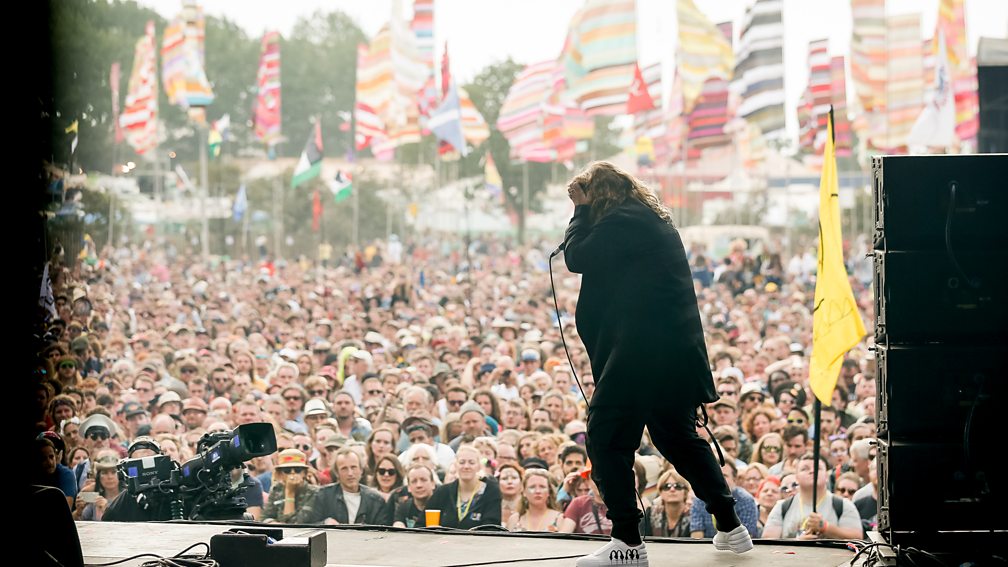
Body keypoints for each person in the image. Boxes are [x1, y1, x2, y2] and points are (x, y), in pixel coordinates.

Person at [561, 161, 752, 565]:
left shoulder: (622, 221)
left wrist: (579, 210)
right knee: (677, 438)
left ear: (599, 195)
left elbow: (577, 256)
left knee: (606, 437)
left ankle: (628, 541)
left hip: (639, 357)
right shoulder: (646, 219)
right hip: (669, 357)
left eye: (587, 196)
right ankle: (731, 526)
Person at [761, 453, 863, 540]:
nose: (812, 471)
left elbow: (857, 538)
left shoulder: (843, 506)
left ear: (826, 476)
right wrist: (797, 542)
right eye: (805, 469)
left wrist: (825, 527)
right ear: (796, 477)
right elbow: (768, 542)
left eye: (818, 468)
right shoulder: (782, 507)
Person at [306, 447, 391, 525]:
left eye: (353, 467)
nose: (350, 473)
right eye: (344, 469)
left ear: (361, 470)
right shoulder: (323, 495)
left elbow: (383, 531)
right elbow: (310, 526)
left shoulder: (376, 500)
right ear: (337, 473)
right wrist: (324, 523)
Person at [425, 445, 502, 528]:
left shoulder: (492, 491)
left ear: (479, 466)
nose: (466, 466)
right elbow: (422, 525)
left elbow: (492, 527)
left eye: (471, 463)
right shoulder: (443, 492)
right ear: (455, 465)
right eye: (462, 462)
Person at [261, 449, 319, 524]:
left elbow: (293, 524)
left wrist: (289, 493)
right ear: (280, 474)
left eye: (297, 470)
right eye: (287, 470)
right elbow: (264, 518)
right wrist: (272, 523)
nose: (292, 473)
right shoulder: (276, 489)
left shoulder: (315, 492)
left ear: (304, 473)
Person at [642, 469, 693, 538]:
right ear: (661, 492)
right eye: (667, 486)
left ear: (685, 492)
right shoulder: (650, 514)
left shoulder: (694, 515)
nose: (672, 489)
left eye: (678, 486)